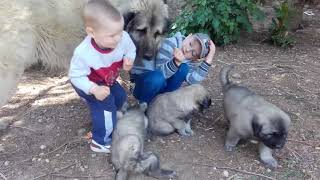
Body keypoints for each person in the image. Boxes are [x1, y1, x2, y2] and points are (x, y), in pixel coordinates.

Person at [68, 0, 136, 153]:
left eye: (120, 31)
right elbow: (75, 76)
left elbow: (131, 48)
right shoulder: (84, 53)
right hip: (87, 82)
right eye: (112, 35)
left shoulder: (122, 37)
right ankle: (100, 141)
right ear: (92, 32)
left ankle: (111, 119)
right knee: (106, 105)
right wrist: (93, 89)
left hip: (107, 79)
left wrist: (129, 59)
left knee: (120, 97)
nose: (118, 38)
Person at [130, 32, 215, 103]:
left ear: (196, 59)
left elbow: (192, 80)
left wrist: (208, 60)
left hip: (159, 85)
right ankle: (143, 106)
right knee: (157, 78)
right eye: (190, 44)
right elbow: (160, 73)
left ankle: (161, 102)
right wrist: (176, 62)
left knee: (184, 68)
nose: (187, 50)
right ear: (189, 36)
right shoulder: (170, 44)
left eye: (193, 53)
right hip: (143, 82)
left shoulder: (190, 60)